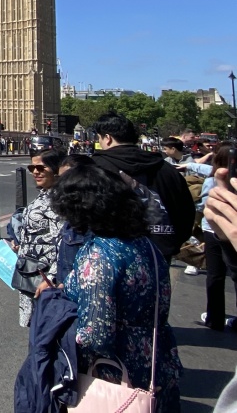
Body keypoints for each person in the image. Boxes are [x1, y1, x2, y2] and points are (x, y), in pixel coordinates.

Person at [48, 162, 183, 411]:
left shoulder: (99, 255)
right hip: (156, 360)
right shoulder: (146, 245)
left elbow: (95, 336)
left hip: (113, 374)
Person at [90, 111, 194, 262]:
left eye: (99, 138)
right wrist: (172, 243)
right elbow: (186, 210)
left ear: (107, 138)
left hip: (109, 253)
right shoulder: (167, 169)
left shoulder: (94, 168)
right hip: (159, 250)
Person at [14, 148, 66, 327]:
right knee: (36, 328)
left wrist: (52, 278)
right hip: (31, 271)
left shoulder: (59, 199)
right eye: (32, 168)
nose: (35, 172)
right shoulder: (45, 194)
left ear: (56, 169)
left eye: (41, 168)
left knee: (45, 330)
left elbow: (63, 242)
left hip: (45, 277)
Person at [197, 144, 237, 331]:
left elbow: (205, 206)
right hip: (224, 230)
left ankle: (214, 317)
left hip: (212, 230)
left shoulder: (212, 180)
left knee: (215, 275)